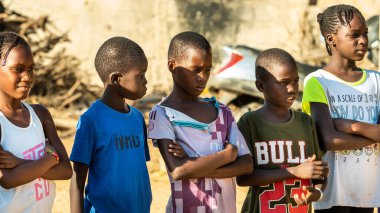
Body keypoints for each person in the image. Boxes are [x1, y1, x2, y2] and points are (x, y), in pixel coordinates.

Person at [148, 31, 253, 213]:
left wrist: (192, 163)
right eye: (196, 70)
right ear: (173, 66)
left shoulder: (222, 111)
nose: (203, 77)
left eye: (208, 70)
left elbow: (246, 165)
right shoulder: (163, 115)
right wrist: (226, 157)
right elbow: (178, 171)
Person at [302, 4, 380, 213]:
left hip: (367, 191)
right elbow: (328, 140)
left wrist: (352, 126)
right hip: (332, 193)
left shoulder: (376, 81)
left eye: (365, 34)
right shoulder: (318, 81)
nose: (363, 40)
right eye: (354, 35)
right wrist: (373, 135)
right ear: (331, 39)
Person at [236, 48, 328, 213]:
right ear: (260, 85)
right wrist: (294, 171)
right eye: (283, 82)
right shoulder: (250, 122)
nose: (292, 89)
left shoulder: (305, 122)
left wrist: (317, 192)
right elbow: (243, 178)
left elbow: (319, 174)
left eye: (295, 81)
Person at [69, 37, 152, 213]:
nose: (146, 81)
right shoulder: (90, 121)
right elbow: (77, 182)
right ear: (116, 79)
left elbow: (135, 172)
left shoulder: (137, 118)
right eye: (141, 75)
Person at [0, 32, 72, 212]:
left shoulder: (40, 115)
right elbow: (8, 179)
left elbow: (66, 170)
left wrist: (19, 162)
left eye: (31, 68)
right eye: (18, 69)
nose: (28, 77)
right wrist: (50, 159)